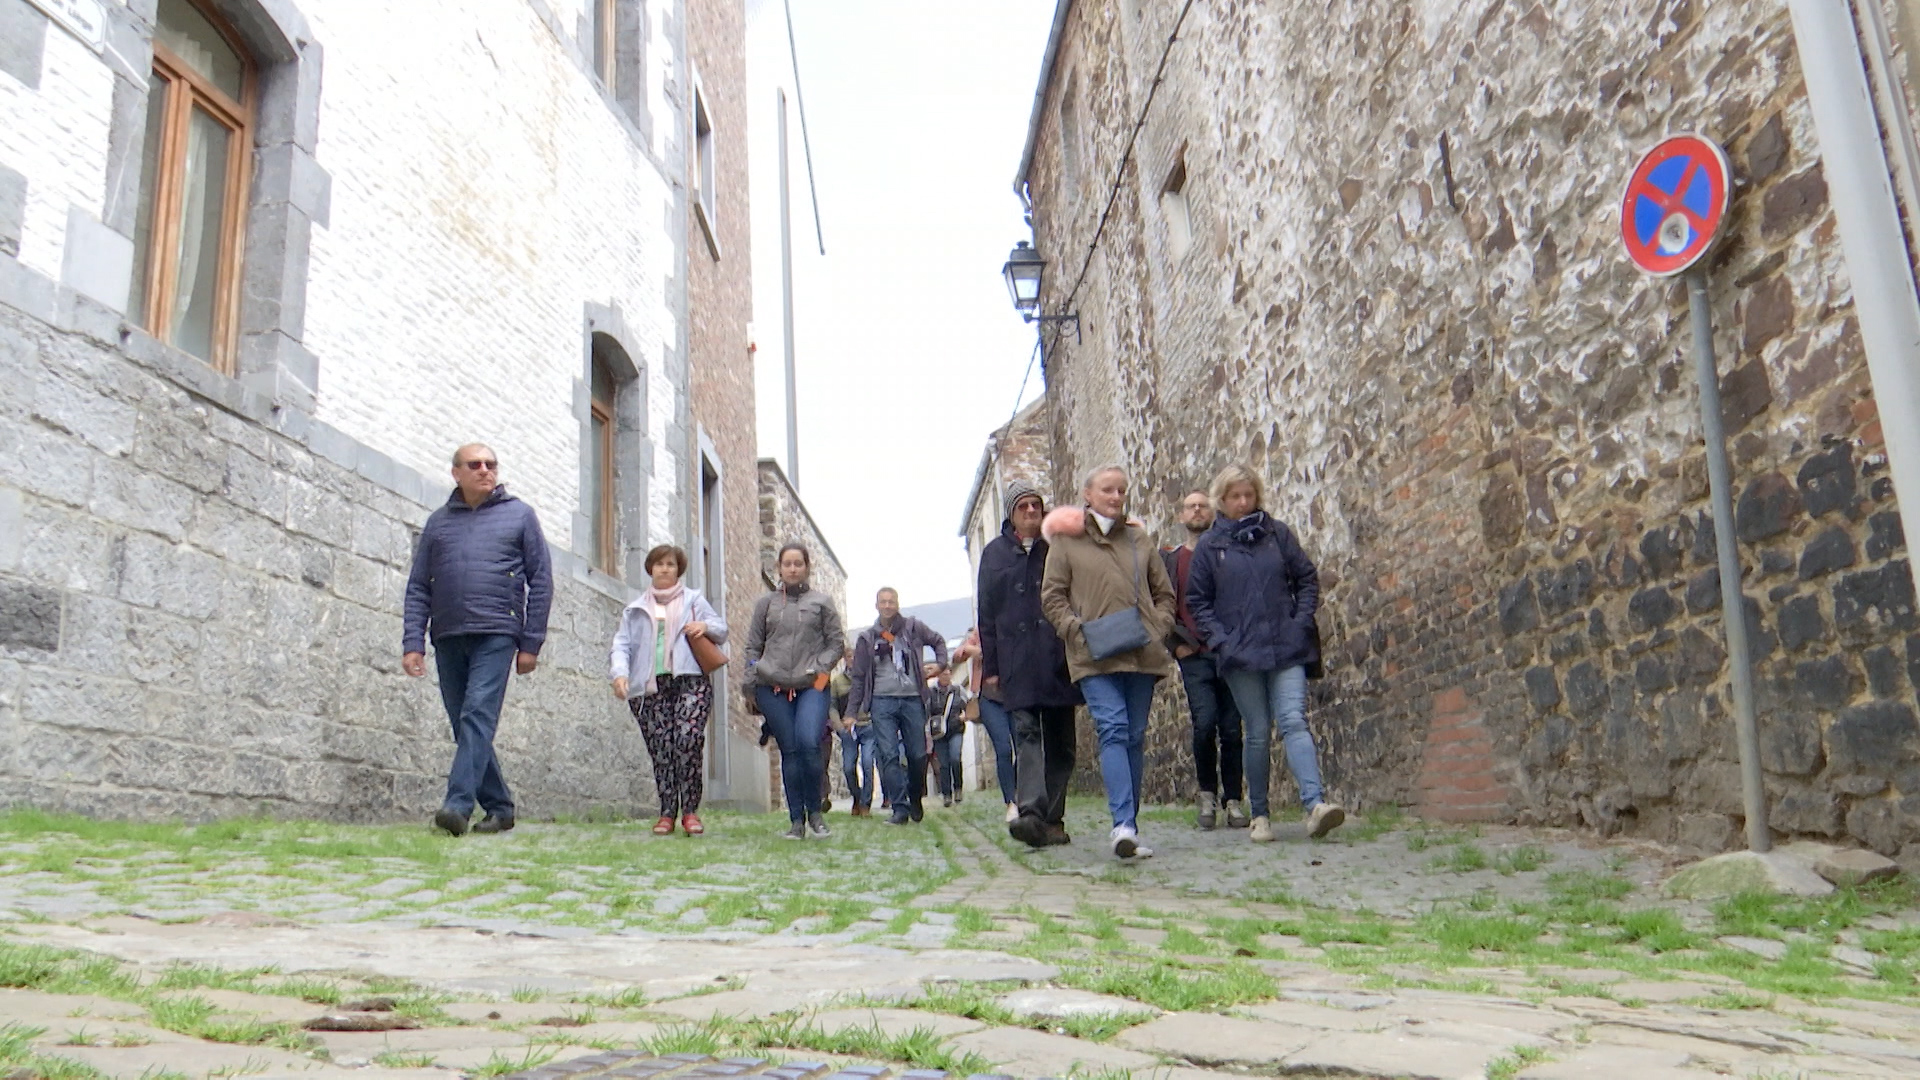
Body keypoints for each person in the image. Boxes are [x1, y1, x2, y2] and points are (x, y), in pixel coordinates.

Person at [1186, 464, 1345, 842]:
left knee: (1293, 720)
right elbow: (1198, 601)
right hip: (1240, 654)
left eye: (1249, 495)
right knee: (1257, 731)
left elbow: (1306, 578)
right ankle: (1260, 814)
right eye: (1235, 496)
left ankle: (1315, 805)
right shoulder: (1211, 547)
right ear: (1221, 501)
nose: (1243, 502)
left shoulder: (1278, 534)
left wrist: (1299, 620)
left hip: (1285, 644)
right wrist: (1222, 640)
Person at [404, 444, 553, 837]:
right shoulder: (438, 523)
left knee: (476, 716)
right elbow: (419, 586)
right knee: (465, 723)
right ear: (456, 473)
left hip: (497, 633)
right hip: (448, 634)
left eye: (491, 464)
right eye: (475, 465)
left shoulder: (520, 516)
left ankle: (457, 806)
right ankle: (500, 807)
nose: (485, 470)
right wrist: (413, 642)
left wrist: (531, 642)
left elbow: (541, 581)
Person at [1040, 466, 1175, 860]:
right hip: (1092, 654)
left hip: (1141, 652)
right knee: (1113, 729)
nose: (1115, 497)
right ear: (1088, 494)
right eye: (1106, 490)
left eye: (1120, 490)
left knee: (1134, 736)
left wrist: (1158, 627)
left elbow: (1165, 593)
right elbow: (1052, 596)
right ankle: (1122, 825)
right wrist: (1074, 629)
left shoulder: (1138, 538)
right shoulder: (1067, 542)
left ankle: (1130, 824)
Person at [978, 482, 1081, 848]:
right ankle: (1032, 813)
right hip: (1016, 659)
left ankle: (1053, 818)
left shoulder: (1059, 546)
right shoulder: (993, 555)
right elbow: (986, 615)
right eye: (1023, 506)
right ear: (1011, 513)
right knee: (1027, 736)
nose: (1032, 512)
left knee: (1062, 742)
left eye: (1036, 505)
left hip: (1058, 658)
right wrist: (991, 667)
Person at [610, 544, 727, 837]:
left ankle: (689, 810)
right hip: (651, 686)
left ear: (679, 570)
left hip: (690, 681)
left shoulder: (693, 600)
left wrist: (704, 626)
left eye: (671, 564)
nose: (665, 569)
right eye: (659, 564)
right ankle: (666, 812)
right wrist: (620, 674)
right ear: (650, 568)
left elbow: (721, 629)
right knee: (661, 748)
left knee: (687, 739)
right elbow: (622, 644)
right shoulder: (635, 608)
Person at [745, 544, 846, 839]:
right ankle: (796, 820)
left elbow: (836, 643)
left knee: (808, 743)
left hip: (811, 684)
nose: (792, 569)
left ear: (807, 567)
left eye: (798, 563)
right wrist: (752, 679)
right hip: (772, 686)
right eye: (787, 564)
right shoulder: (766, 604)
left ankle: (815, 812)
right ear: (779, 568)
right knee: (789, 750)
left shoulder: (822, 602)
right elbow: (752, 646)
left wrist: (821, 668)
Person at [1164, 491, 1250, 831]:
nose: (1197, 510)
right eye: (1190, 506)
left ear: (1212, 512)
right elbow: (1161, 605)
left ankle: (1233, 799)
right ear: (1181, 516)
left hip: (1228, 650)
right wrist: (1176, 645)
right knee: (1204, 724)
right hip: (1193, 653)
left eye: (1203, 505)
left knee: (1231, 727)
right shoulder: (1171, 560)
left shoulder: (1227, 553)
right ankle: (1206, 793)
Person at [847, 588, 950, 826]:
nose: (887, 605)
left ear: (897, 604)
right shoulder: (867, 638)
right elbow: (859, 677)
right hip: (882, 701)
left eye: (891, 601)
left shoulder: (913, 627)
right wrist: (852, 712)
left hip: (912, 698)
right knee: (889, 755)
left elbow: (938, 641)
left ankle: (915, 796)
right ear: (876, 606)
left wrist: (941, 664)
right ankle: (899, 808)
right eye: (883, 602)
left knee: (917, 754)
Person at [952, 627, 1018, 822]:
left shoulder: (1014, 625)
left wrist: (980, 652)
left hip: (1016, 694)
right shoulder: (983, 630)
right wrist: (970, 650)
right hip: (988, 698)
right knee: (1003, 749)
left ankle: (1021, 792)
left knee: (1024, 748)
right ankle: (1011, 802)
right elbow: (958, 655)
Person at [830, 651, 878, 816]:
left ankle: (866, 804)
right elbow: (832, 707)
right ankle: (856, 798)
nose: (853, 660)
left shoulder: (868, 679)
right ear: (845, 659)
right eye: (850, 656)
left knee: (867, 763)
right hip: (848, 730)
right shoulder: (837, 682)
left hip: (868, 726)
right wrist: (839, 726)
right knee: (848, 767)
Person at [926, 669, 970, 807]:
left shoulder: (957, 689)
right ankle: (946, 794)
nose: (947, 676)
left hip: (956, 728)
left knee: (955, 758)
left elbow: (969, 705)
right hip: (939, 733)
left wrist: (965, 715)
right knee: (943, 764)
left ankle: (958, 788)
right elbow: (926, 711)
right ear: (938, 675)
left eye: (948, 673)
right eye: (944, 674)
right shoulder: (931, 692)